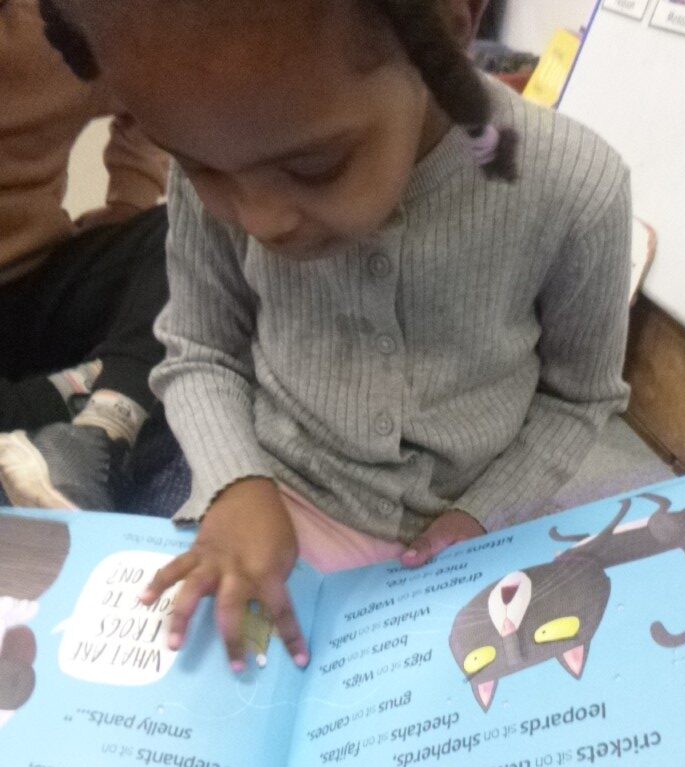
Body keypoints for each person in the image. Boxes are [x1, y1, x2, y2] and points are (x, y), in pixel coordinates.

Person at [40, 0, 633, 675]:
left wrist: (482, 516)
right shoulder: (218, 144)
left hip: (475, 527)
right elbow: (200, 348)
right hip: (273, 489)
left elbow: (579, 398)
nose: (259, 220)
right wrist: (235, 481)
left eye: (316, 166)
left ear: (449, 29)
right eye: (199, 167)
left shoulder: (576, 187)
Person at [0, 0, 169, 511]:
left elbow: (152, 87)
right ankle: (81, 393)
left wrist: (128, 203)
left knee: (189, 231)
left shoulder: (57, 23)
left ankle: (96, 431)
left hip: (36, 281)